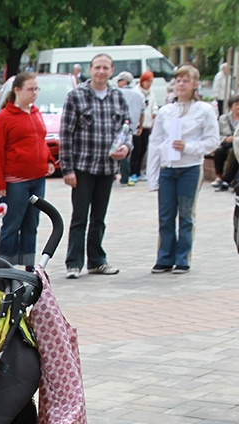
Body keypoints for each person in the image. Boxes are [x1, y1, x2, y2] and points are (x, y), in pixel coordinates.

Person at [59, 53, 129, 279]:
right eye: (97, 67)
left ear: (112, 70)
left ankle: (97, 261)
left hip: (107, 168)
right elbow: (66, 134)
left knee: (99, 218)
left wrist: (125, 148)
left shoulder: (118, 97)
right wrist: (68, 169)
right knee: (79, 217)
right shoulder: (76, 96)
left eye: (105, 68)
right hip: (83, 167)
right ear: (90, 69)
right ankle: (74, 263)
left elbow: (126, 128)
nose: (101, 71)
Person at [146, 65, 219, 274]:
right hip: (168, 168)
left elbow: (213, 141)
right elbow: (155, 142)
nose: (181, 84)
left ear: (195, 84)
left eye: (186, 81)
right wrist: (153, 175)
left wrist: (189, 147)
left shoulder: (203, 110)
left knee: (186, 215)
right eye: (178, 80)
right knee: (165, 215)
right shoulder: (166, 111)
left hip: (190, 167)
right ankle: (164, 257)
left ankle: (183, 258)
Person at [0, 72, 56, 269]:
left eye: (36, 89)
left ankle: (28, 266)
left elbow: (40, 141)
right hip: (15, 181)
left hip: (37, 179)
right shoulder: (3, 118)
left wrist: (48, 160)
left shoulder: (35, 113)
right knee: (12, 225)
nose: (34, 93)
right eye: (30, 89)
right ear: (17, 90)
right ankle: (5, 267)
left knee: (31, 224)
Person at [114, 72, 145, 187]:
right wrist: (140, 126)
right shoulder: (139, 94)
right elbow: (142, 112)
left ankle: (120, 176)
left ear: (125, 81)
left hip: (119, 126)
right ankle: (127, 176)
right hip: (133, 127)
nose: (117, 83)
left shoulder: (117, 93)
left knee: (119, 151)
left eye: (119, 80)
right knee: (130, 152)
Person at [129, 71, 158, 185]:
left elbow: (154, 104)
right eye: (148, 81)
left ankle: (139, 171)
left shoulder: (151, 93)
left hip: (147, 124)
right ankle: (133, 172)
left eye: (151, 81)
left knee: (143, 149)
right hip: (137, 125)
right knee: (136, 149)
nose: (149, 84)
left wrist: (154, 112)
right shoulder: (136, 92)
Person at [212, 95, 239, 190]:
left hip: (236, 145)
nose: (238, 107)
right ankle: (219, 177)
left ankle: (226, 180)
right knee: (219, 152)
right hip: (225, 143)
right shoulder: (223, 118)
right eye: (236, 105)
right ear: (231, 107)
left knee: (233, 152)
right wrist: (226, 138)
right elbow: (216, 134)